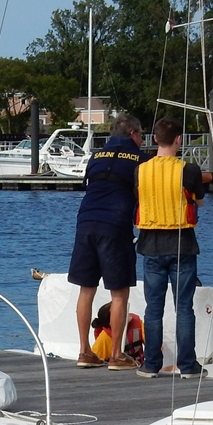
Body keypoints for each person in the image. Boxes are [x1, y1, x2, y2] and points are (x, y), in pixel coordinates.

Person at [135, 117, 212, 379]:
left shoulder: (141, 169)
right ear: (179, 139)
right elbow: (200, 202)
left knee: (153, 308)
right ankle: (188, 366)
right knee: (184, 307)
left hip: (151, 245)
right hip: (182, 244)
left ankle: (150, 365)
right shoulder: (188, 170)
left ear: (154, 139)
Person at [67, 114, 146, 371]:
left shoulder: (96, 156)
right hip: (115, 224)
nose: (143, 140)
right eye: (142, 135)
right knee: (119, 292)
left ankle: (83, 351)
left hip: (85, 221)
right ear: (133, 134)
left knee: (86, 289)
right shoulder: (140, 159)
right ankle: (116, 355)